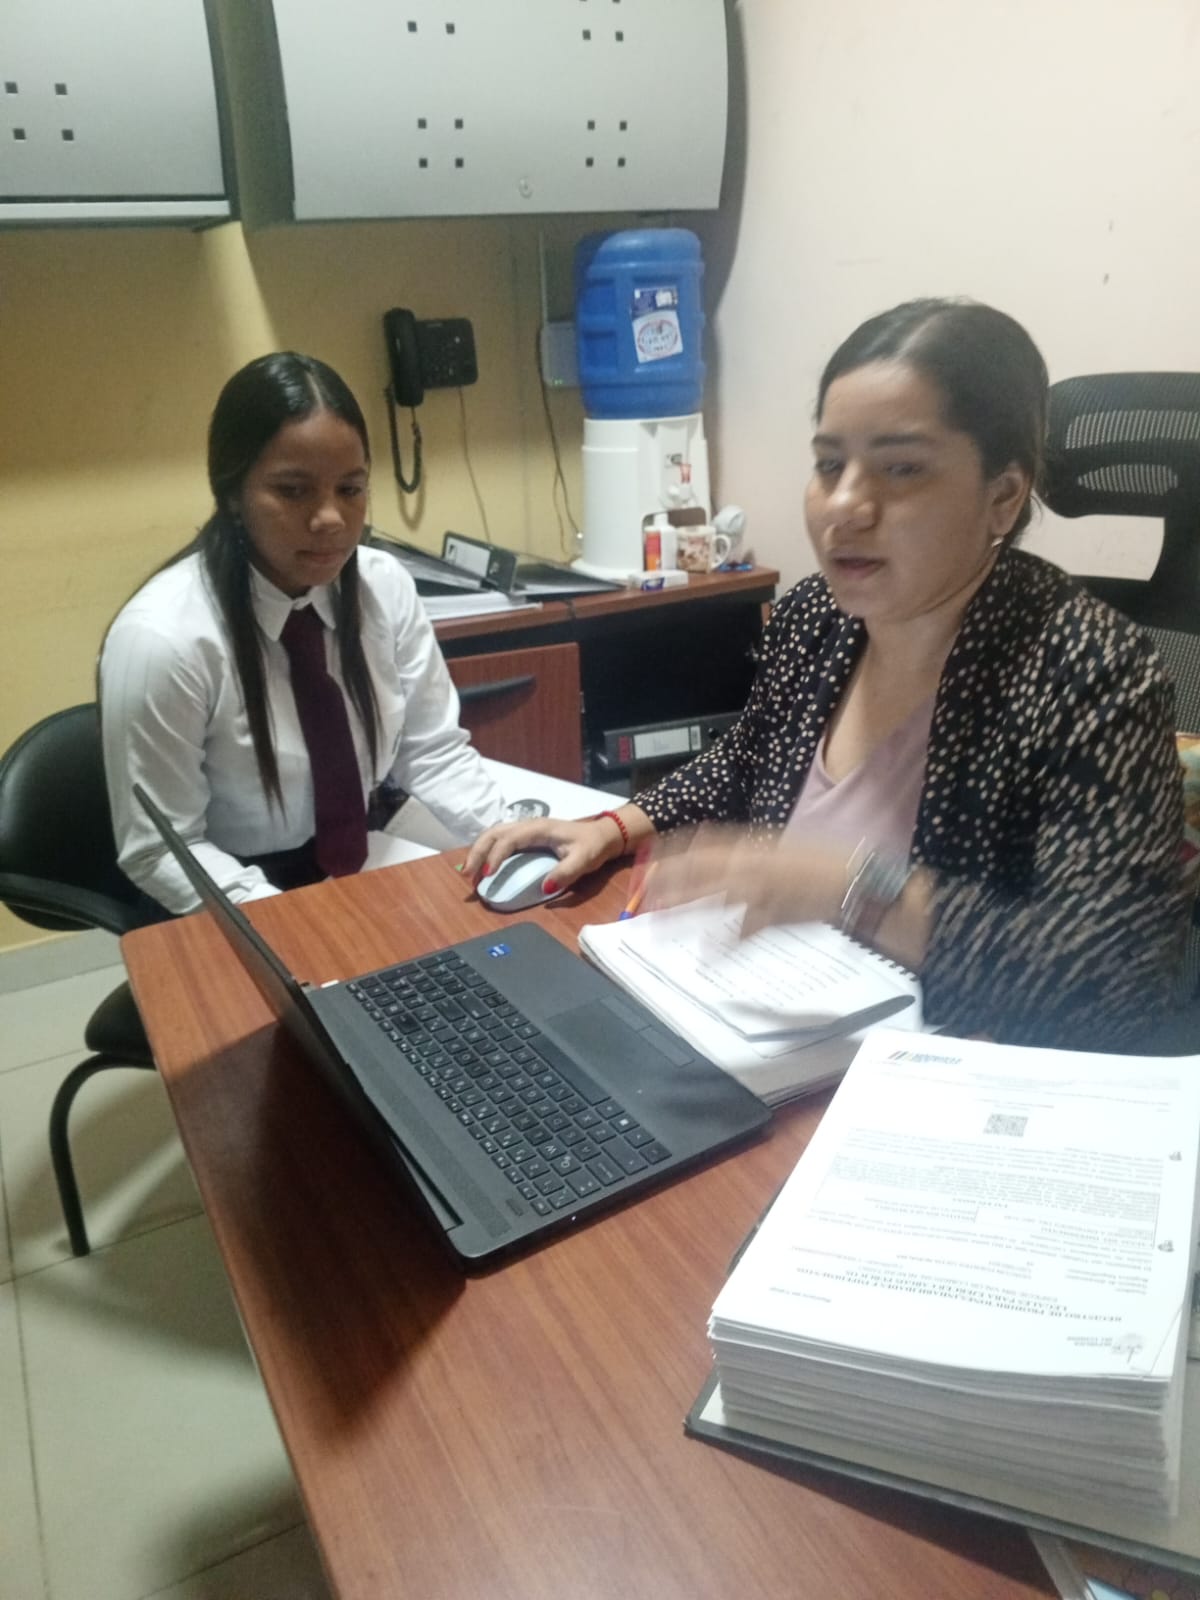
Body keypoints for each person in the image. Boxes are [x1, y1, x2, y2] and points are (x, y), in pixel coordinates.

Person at [465, 298, 1187, 1048]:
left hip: (957, 1068)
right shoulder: (817, 616)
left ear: (1002, 497)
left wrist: (848, 887)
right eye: (830, 464)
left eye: (902, 469)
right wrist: (614, 827)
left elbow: (1115, 981)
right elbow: (747, 757)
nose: (845, 506)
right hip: (781, 1030)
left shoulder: (1089, 668)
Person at [102, 351, 505, 915]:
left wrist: (512, 835)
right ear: (232, 493)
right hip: (235, 895)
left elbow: (432, 751)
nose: (331, 518)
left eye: (350, 489)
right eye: (293, 491)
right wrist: (292, 927)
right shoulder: (164, 639)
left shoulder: (383, 586)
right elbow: (162, 848)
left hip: (364, 858)